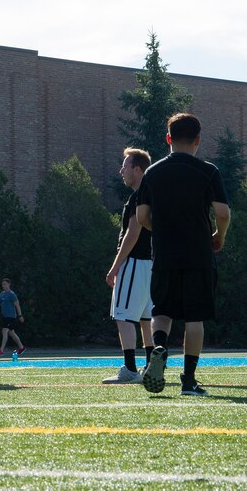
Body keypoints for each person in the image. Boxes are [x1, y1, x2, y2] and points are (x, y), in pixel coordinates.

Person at [137, 113, 230, 397]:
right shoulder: (208, 171)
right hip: (197, 253)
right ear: (198, 140)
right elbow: (223, 213)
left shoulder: (152, 172)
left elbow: (141, 216)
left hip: (164, 252)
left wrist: (162, 230)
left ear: (168, 139)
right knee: (195, 316)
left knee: (161, 311)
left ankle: (160, 346)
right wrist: (218, 236)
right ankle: (188, 380)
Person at [102, 148, 155, 384]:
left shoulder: (138, 196)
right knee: (146, 319)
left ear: (137, 169)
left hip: (135, 263)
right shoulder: (153, 193)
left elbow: (132, 234)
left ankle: (130, 369)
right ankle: (152, 366)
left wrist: (115, 267)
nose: (121, 170)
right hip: (152, 264)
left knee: (123, 315)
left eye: (125, 166)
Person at [0, 278, 26, 357]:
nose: (3, 285)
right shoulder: (2, 294)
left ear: (8, 284)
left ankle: (1, 350)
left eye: (4, 284)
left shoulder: (12, 294)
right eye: (2, 284)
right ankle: (21, 347)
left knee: (4, 331)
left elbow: (17, 305)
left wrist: (20, 316)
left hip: (11, 317)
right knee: (11, 333)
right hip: (5, 316)